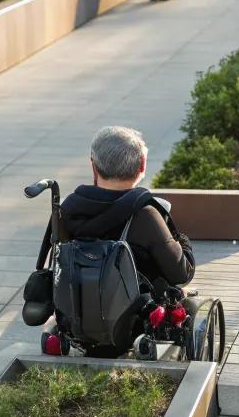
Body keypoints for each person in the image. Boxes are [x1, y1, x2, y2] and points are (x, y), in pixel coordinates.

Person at [58, 126, 195, 297]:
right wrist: (182, 242)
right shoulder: (146, 215)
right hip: (132, 316)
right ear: (142, 165)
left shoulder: (67, 209)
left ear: (94, 165)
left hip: (76, 310)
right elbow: (180, 274)